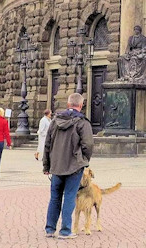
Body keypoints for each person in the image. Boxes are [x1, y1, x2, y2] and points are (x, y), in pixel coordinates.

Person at [43, 92, 94, 239]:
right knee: (70, 197)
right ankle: (65, 231)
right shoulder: (82, 122)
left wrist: (46, 166)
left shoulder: (55, 121)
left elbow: (47, 144)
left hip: (57, 166)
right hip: (74, 166)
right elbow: (88, 144)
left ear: (68, 104)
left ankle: (50, 229)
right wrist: (84, 159)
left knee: (55, 197)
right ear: (81, 105)